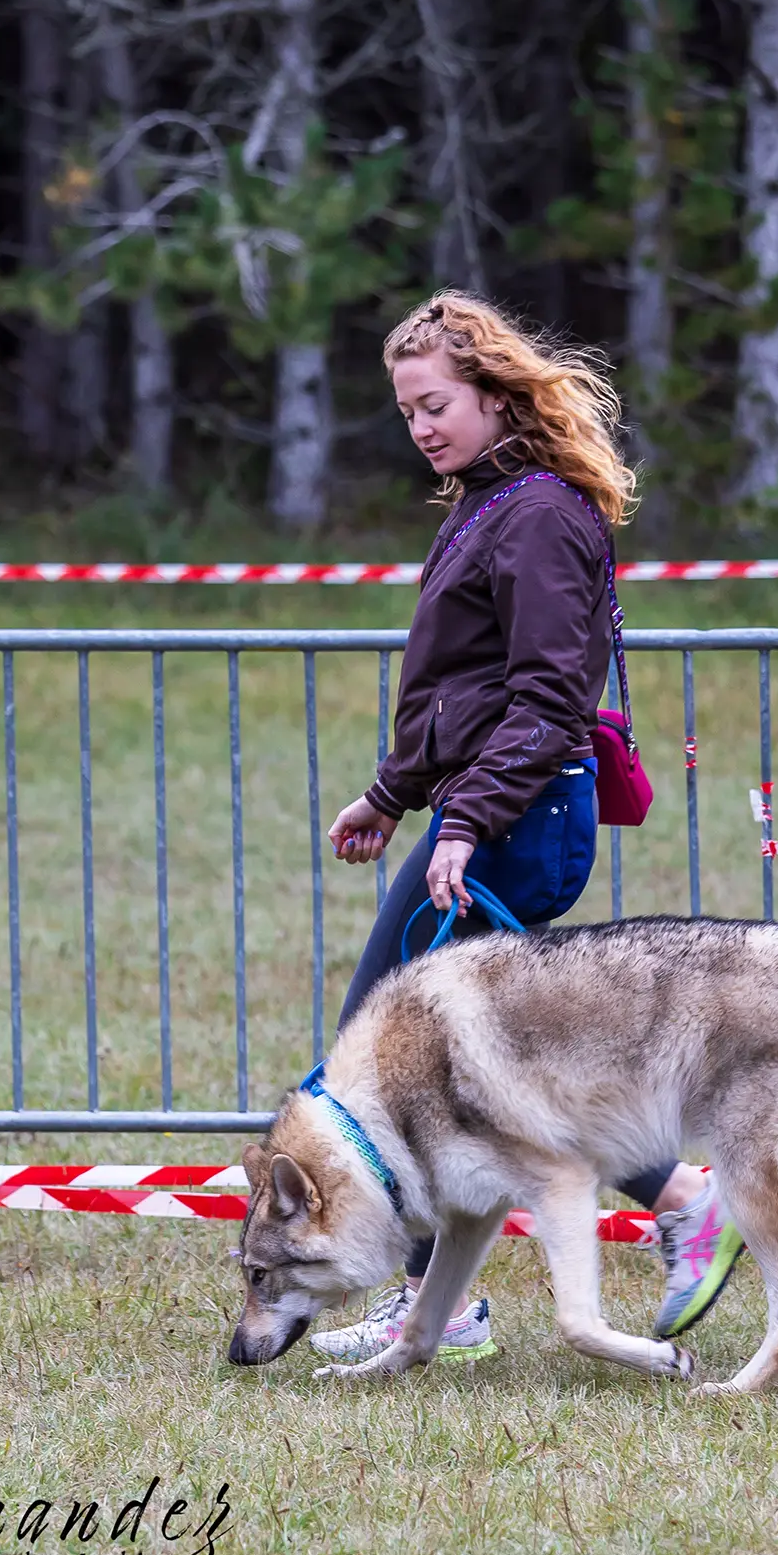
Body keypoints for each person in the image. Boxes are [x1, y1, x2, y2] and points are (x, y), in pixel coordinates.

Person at [307, 292, 742, 1366]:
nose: (420, 425)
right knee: (437, 1061)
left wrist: (463, 822)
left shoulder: (539, 514)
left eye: (436, 402)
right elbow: (456, 690)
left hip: (518, 814)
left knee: (402, 1046)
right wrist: (391, 795)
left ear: (498, 393)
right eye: (406, 409)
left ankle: (685, 1200)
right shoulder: (483, 506)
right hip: (483, 809)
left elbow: (547, 698)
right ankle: (447, 1304)